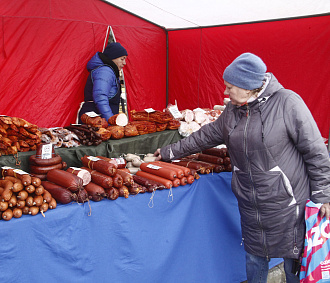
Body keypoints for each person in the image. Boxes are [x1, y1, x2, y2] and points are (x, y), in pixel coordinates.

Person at [154, 53, 330, 283]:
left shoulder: (288, 102)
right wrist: (169, 152)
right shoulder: (233, 111)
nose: (225, 92)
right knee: (255, 259)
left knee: (293, 262)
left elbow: (315, 152)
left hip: (287, 202)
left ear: (248, 87)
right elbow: (206, 136)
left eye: (230, 87)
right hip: (250, 202)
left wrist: (323, 194)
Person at [78, 42, 128, 124]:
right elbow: (100, 97)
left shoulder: (109, 71)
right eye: (122, 59)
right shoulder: (105, 71)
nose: (124, 63)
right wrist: (110, 121)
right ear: (113, 58)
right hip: (97, 120)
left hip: (99, 118)